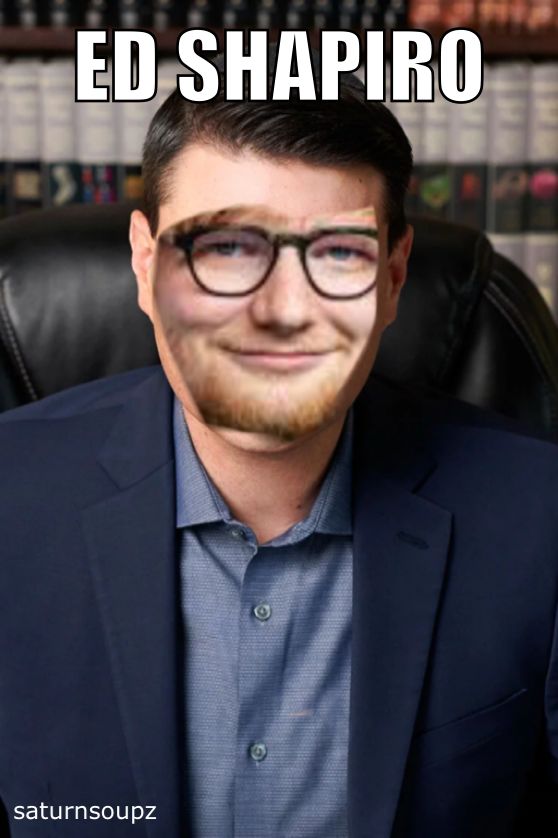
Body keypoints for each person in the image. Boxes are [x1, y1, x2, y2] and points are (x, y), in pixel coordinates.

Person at [0, 53, 557, 838]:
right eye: (223, 249)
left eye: (337, 254)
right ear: (146, 263)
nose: (278, 314)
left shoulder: (542, 517)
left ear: (395, 277)